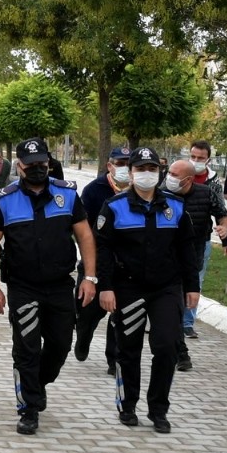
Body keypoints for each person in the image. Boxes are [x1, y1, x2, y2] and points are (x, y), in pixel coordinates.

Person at [0, 137, 96, 436]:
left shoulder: (67, 195)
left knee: (60, 345)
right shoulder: (5, 199)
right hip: (23, 287)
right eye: (31, 165)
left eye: (42, 164)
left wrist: (90, 277)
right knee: (27, 347)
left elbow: (85, 237)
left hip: (60, 285)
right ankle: (29, 408)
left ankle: (38, 382)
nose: (37, 169)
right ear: (20, 166)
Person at [94, 147, 201, 434]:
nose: (146, 174)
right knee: (128, 350)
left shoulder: (175, 207)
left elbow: (186, 250)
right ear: (130, 173)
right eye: (140, 169)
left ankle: (158, 409)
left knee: (167, 347)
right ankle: (128, 405)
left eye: (152, 169)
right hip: (128, 287)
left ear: (160, 173)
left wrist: (192, 286)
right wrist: (105, 287)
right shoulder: (115, 206)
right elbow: (102, 250)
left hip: (166, 288)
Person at [164, 155, 227, 366]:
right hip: (165, 258)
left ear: (189, 180)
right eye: (169, 174)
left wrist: (225, 230)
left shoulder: (206, 193)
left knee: (179, 304)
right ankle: (181, 351)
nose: (169, 178)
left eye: (175, 175)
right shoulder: (160, 193)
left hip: (193, 257)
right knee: (173, 306)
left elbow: (224, 216)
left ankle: (178, 349)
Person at [75, 146, 132, 372]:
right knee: (88, 310)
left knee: (120, 312)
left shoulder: (141, 191)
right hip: (96, 259)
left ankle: (114, 359)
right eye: (120, 163)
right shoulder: (93, 190)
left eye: (129, 163)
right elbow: (82, 226)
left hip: (125, 263)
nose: (124, 168)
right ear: (110, 166)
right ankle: (83, 335)